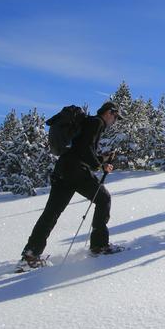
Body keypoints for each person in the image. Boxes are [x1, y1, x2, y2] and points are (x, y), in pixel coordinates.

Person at [18, 101, 123, 268]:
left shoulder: (88, 124)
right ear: (109, 113)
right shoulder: (96, 122)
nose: (115, 121)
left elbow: (81, 149)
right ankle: (99, 246)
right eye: (116, 117)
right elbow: (85, 150)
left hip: (62, 170)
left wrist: (101, 158)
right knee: (103, 198)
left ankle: (31, 253)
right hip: (76, 171)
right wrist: (99, 165)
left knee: (51, 213)